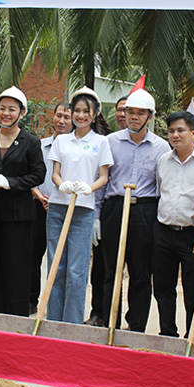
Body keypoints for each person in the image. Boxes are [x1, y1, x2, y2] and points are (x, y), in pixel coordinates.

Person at [97, 89, 170, 332]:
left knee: (140, 273)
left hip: (144, 212)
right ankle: (110, 323)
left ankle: (136, 326)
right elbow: (102, 181)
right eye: (130, 112)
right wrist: (97, 216)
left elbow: (163, 186)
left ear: (150, 116)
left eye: (141, 113)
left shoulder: (161, 148)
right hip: (114, 208)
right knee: (111, 271)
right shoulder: (110, 142)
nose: (134, 118)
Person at [0, 86, 46, 315]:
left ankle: (13, 317)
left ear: (21, 113)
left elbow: (38, 174)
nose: (6, 113)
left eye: (12, 109)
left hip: (19, 215)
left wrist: (10, 183)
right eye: (2, 108)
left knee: (15, 266)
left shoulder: (30, 142)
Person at [47, 86, 113, 324]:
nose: (81, 115)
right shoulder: (61, 141)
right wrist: (61, 184)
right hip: (57, 208)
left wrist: (89, 188)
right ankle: (54, 322)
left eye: (86, 111)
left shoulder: (101, 142)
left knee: (76, 271)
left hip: (83, 211)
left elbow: (103, 176)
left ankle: (72, 325)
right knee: (56, 268)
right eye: (77, 110)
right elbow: (55, 173)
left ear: (94, 114)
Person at [153, 110, 194, 337]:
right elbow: (160, 193)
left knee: (193, 288)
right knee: (163, 287)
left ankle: (193, 335)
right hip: (164, 232)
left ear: (193, 132)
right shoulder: (163, 161)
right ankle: (168, 333)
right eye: (171, 131)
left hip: (193, 234)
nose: (175, 135)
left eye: (181, 130)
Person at [30, 102, 72, 315]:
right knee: (33, 256)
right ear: (53, 117)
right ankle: (31, 300)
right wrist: (40, 197)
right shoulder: (39, 145)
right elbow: (29, 174)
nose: (62, 120)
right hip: (38, 205)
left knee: (59, 258)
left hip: (64, 208)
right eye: (59, 115)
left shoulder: (76, 148)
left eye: (67, 116)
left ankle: (55, 304)